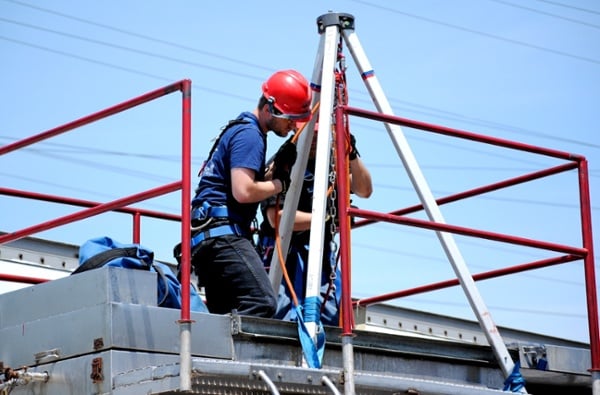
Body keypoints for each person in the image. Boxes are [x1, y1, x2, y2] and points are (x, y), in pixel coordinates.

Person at [186, 69, 312, 317]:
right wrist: (280, 185)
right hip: (223, 237)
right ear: (270, 109)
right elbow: (243, 192)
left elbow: (238, 185)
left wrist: (273, 172)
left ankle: (220, 354)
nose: (293, 125)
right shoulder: (250, 135)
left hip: (209, 237)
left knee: (225, 311)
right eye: (289, 118)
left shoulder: (242, 129)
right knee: (262, 301)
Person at [258, 122, 373, 325]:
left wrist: (351, 153)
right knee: (280, 312)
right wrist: (323, 218)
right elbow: (277, 219)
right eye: (309, 133)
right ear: (296, 131)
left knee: (328, 314)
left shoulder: (332, 164)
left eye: (317, 134)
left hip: (319, 254)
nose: (313, 140)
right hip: (283, 252)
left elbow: (364, 190)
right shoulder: (282, 163)